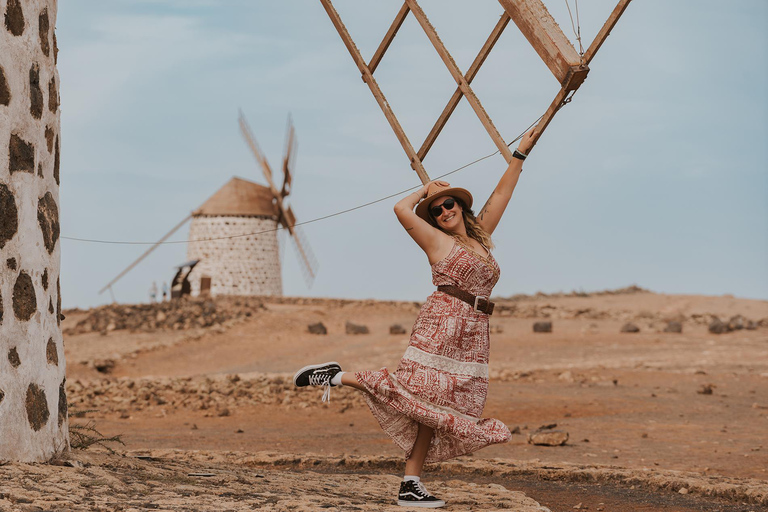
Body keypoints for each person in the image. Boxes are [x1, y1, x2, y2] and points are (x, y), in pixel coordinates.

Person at [293, 128, 537, 508]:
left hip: (473, 332)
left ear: (461, 206)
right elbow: (400, 210)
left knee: (435, 409)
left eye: (449, 204)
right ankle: (338, 376)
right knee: (414, 392)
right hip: (443, 322)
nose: (444, 212)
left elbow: (503, 192)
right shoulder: (436, 241)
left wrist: (520, 153)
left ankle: (411, 483)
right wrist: (425, 188)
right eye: (437, 210)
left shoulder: (480, 236)